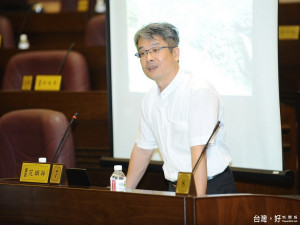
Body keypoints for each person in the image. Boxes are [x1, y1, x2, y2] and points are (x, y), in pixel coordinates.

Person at [126, 22, 236, 195]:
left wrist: (197, 203)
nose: (149, 58)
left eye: (155, 50)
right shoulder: (149, 99)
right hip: (176, 187)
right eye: (143, 52)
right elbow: (142, 150)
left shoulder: (198, 90)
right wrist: (123, 192)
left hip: (210, 188)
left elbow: (198, 151)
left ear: (175, 53)